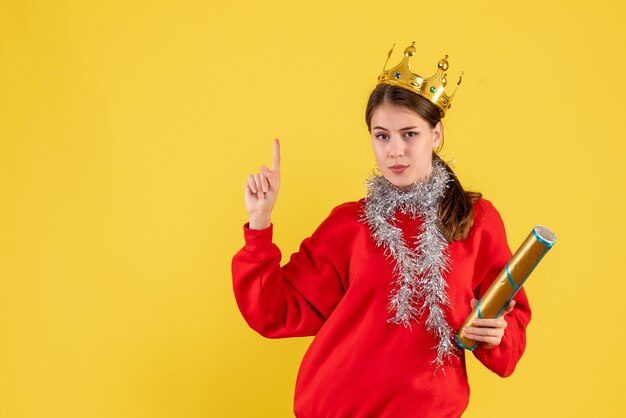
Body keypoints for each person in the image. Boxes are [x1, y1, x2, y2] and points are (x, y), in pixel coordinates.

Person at [231, 43, 531, 418]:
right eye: (382, 136)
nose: (395, 151)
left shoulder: (475, 221)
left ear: (435, 134)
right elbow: (274, 312)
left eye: (409, 134)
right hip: (338, 408)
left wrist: (498, 334)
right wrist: (260, 223)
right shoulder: (348, 224)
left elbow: (510, 328)